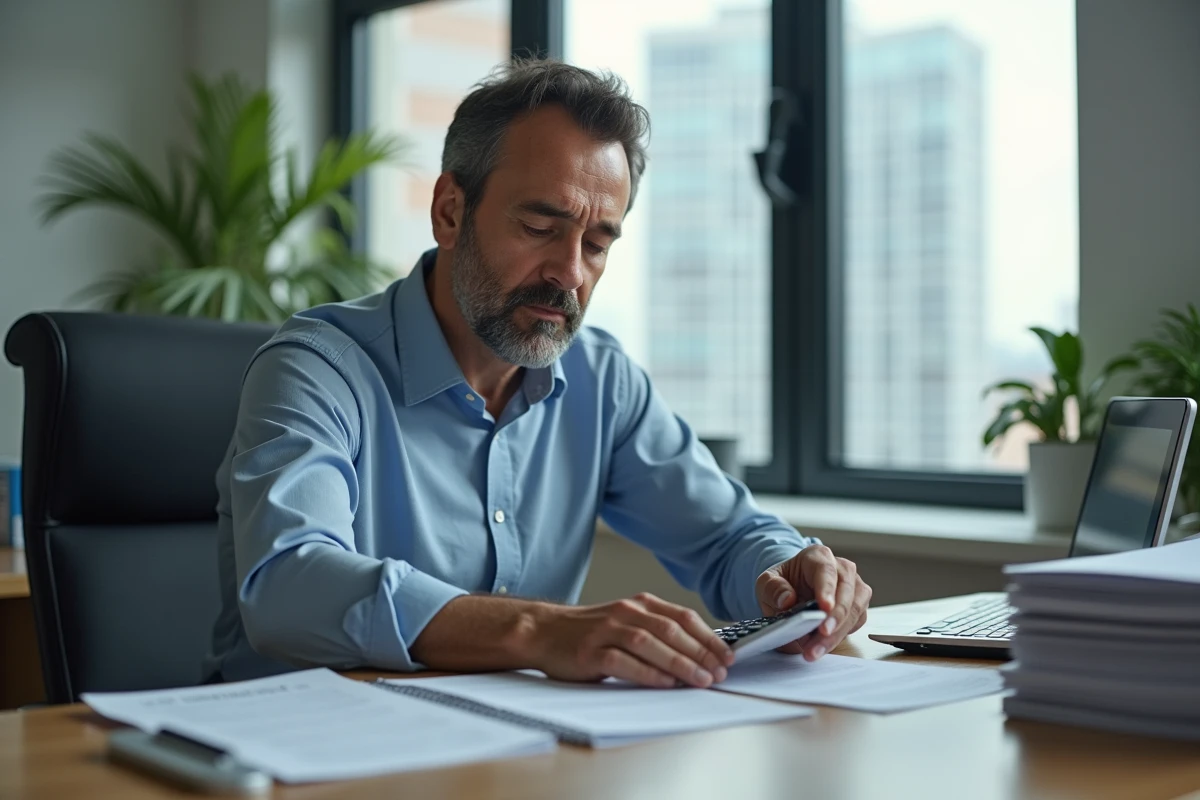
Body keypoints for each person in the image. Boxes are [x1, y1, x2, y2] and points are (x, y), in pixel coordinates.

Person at [203, 59, 872, 689]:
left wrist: (786, 573)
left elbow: (727, 536)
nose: (570, 273)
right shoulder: (318, 368)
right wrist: (538, 628)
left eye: (597, 243)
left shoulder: (602, 378)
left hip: (511, 752)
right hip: (291, 755)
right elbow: (288, 584)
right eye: (540, 226)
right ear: (450, 212)